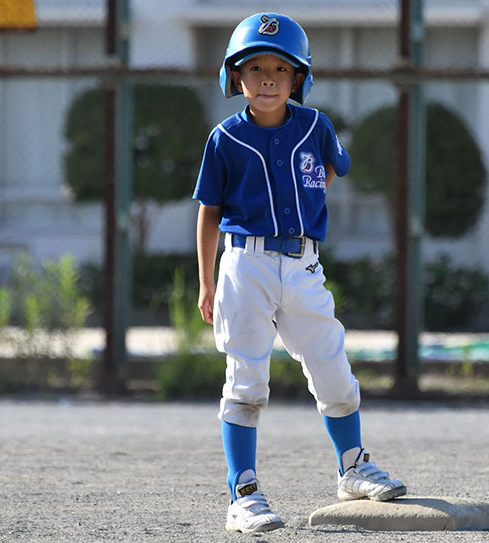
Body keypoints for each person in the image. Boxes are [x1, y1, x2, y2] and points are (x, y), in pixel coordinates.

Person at [193, 12, 406, 534]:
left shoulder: (316, 125)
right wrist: (206, 281)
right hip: (245, 264)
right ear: (235, 78)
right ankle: (243, 493)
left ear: (298, 79)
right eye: (255, 67)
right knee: (246, 381)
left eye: (280, 69)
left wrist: (309, 204)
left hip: (304, 263)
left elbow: (331, 165)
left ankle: (353, 467)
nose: (267, 78)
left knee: (333, 367)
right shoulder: (224, 138)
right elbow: (209, 213)